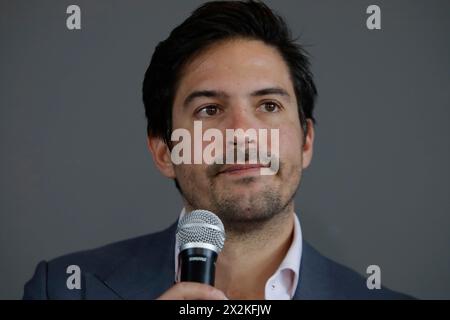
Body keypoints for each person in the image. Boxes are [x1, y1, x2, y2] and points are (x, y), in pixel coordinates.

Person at [23, 0, 411, 300]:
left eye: (269, 106)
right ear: (164, 151)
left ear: (306, 141)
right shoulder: (62, 289)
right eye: (209, 110)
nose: (242, 134)